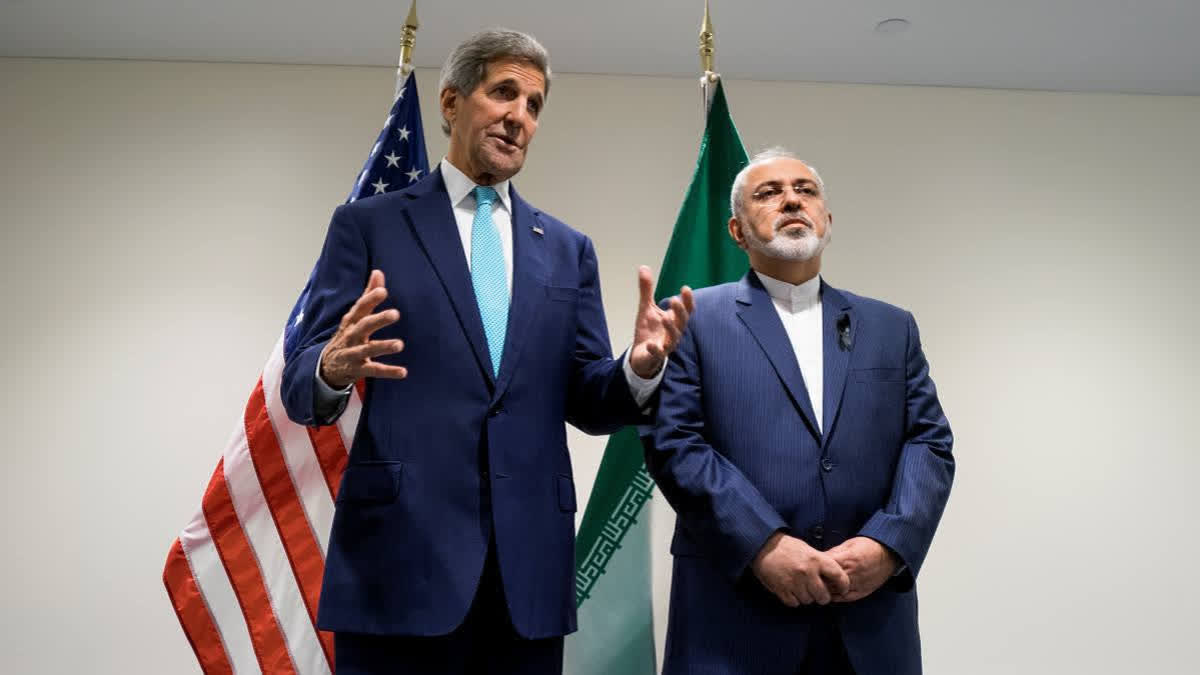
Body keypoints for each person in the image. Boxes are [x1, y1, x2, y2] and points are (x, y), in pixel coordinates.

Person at [281, 29, 693, 675]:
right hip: (398, 562)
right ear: (451, 102)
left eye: (533, 105)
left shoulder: (566, 248)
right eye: (504, 93)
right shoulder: (369, 224)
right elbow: (302, 385)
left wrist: (638, 370)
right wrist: (331, 365)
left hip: (526, 571)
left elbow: (588, 399)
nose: (519, 116)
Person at [644, 147, 954, 675]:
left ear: (827, 221)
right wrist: (763, 544)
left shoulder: (891, 326)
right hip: (734, 617)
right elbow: (676, 444)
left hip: (868, 620)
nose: (791, 199)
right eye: (768, 194)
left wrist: (888, 543)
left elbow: (928, 443)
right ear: (737, 232)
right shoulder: (693, 318)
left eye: (805, 190)